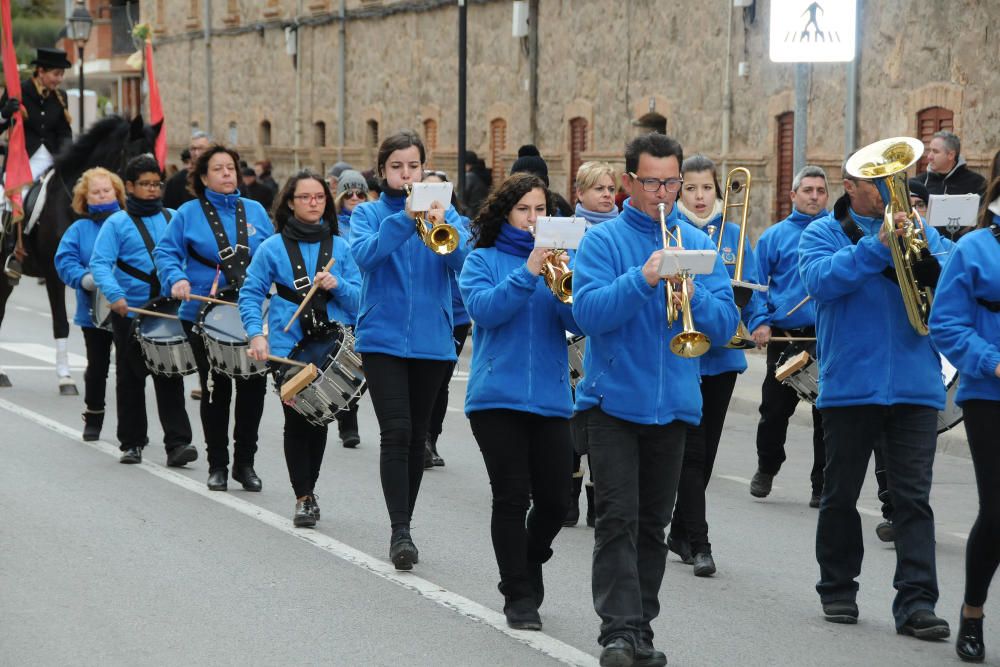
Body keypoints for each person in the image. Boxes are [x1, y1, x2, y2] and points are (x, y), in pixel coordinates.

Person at [572, 133, 738, 667]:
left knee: (652, 526)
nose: (663, 193)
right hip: (613, 404)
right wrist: (643, 278)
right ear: (628, 183)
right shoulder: (603, 241)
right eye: (652, 182)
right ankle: (616, 632)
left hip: (675, 406)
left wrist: (694, 292)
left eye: (673, 182)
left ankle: (640, 628)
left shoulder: (698, 242)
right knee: (617, 518)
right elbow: (589, 314)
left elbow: (726, 324)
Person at [799, 156, 950, 638]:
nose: (891, 190)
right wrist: (876, 247)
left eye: (896, 181)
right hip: (850, 387)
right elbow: (820, 282)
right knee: (840, 494)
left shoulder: (923, 229)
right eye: (879, 183)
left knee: (912, 500)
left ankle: (917, 602)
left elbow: (950, 285)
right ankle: (838, 588)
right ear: (851, 188)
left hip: (915, 386)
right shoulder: (822, 233)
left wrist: (921, 247)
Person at [459, 172, 580, 630]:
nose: (534, 218)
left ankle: (527, 563)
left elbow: (576, 318)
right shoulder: (482, 260)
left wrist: (563, 277)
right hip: (496, 398)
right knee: (511, 496)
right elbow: (487, 311)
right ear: (506, 213)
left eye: (541, 210)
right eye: (524, 209)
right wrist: (529, 271)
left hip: (550, 397)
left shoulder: (559, 263)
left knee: (553, 501)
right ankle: (518, 594)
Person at [349, 129, 470, 570]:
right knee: (396, 431)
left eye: (413, 166)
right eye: (397, 166)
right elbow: (364, 257)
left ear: (424, 168)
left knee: (417, 437)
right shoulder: (367, 214)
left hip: (433, 340)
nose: (405, 173)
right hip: (381, 337)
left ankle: (407, 520)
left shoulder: (449, 212)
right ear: (383, 171)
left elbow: (466, 263)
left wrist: (444, 222)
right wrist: (403, 219)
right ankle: (400, 531)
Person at [240, 170, 360, 527]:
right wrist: (254, 334)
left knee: (319, 419)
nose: (313, 203)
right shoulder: (271, 248)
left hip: (330, 345)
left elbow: (359, 301)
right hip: (287, 346)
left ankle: (309, 490)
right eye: (305, 197)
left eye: (319, 197)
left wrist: (337, 284)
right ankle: (303, 497)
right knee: (297, 418)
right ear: (290, 202)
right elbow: (250, 294)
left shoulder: (342, 247)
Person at [154, 144, 274, 492]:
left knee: (253, 392)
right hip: (203, 315)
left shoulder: (254, 211)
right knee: (215, 390)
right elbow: (166, 252)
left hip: (252, 314)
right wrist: (176, 278)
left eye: (230, 168)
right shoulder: (188, 213)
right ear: (203, 176)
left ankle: (245, 464)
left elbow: (273, 254)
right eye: (218, 169)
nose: (226, 174)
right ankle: (218, 464)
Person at [669, 155, 764, 577]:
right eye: (691, 188)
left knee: (706, 456)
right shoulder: (672, 232)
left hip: (722, 355)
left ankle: (679, 530)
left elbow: (756, 288)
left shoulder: (735, 234)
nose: (700, 196)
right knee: (692, 453)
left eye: (707, 188)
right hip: (685, 354)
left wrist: (758, 321)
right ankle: (699, 542)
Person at [930, 177, 1000, 663]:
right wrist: (992, 360)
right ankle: (972, 612)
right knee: (998, 510)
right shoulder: (974, 248)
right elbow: (946, 323)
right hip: (989, 393)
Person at [88, 154, 196, 466]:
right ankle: (132, 442)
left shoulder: (173, 217)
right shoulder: (116, 222)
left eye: (156, 184)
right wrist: (115, 295)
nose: (152, 189)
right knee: (130, 378)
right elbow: (100, 263)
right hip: (130, 312)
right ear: (131, 186)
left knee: (170, 374)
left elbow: (187, 257)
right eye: (145, 184)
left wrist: (185, 283)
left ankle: (178, 444)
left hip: (166, 311)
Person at [747, 165, 829, 506]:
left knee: (827, 416)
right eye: (807, 190)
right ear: (793, 195)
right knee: (774, 413)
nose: (814, 196)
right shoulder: (774, 236)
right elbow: (756, 287)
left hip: (826, 338)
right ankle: (767, 466)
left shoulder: (837, 234)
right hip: (784, 338)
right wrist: (760, 322)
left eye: (820, 191)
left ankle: (821, 485)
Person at [565, 160, 620, 527]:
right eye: (597, 188)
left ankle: (598, 501)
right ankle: (567, 499)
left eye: (610, 188)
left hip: (608, 338)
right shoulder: (567, 230)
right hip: (571, 335)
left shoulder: (623, 231)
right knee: (572, 423)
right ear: (580, 193)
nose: (606, 195)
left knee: (603, 424)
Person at [54, 167, 125, 441]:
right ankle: (94, 414)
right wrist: (83, 278)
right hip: (93, 311)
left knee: (129, 369)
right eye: (96, 192)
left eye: (107, 190)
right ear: (86, 198)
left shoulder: (128, 222)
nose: (102, 195)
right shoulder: (79, 229)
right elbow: (65, 260)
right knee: (97, 367)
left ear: (117, 192)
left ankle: (130, 426)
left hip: (127, 305)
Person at [422, 168, 471, 469]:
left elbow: (465, 262)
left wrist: (445, 222)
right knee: (424, 378)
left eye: (438, 192)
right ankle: (418, 437)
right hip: (427, 310)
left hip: (456, 314)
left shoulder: (462, 224)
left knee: (440, 381)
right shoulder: (412, 224)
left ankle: (431, 438)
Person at [330, 168, 369, 449]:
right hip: (344, 304)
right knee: (345, 366)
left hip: (370, 302)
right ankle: (348, 423)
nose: (355, 198)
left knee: (364, 368)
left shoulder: (373, 224)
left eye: (360, 193)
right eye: (349, 193)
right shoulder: (334, 228)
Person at [0, 47, 73, 179]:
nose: (60, 79)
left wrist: (67, 154)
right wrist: (4, 114)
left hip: (52, 162)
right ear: (41, 71)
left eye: (62, 74)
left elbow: (64, 133)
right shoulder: (17, 91)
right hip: (22, 162)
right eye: (56, 74)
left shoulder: (61, 96)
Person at [916, 131, 987, 241]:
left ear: (951, 155)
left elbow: (984, 220)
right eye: (930, 150)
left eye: (935, 152)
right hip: (926, 249)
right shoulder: (918, 182)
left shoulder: (978, 183)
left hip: (962, 249)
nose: (929, 156)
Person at [510, 145, 574, 217]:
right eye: (522, 209)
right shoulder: (502, 208)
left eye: (539, 209)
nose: (532, 218)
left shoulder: (560, 209)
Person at [163, 131, 212, 210]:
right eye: (193, 149)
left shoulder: (219, 176)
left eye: (201, 148)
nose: (196, 153)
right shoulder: (176, 181)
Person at [463, 151, 490, 215]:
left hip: (470, 215)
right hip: (482, 213)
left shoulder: (469, 176)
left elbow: (462, 196)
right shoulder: (483, 173)